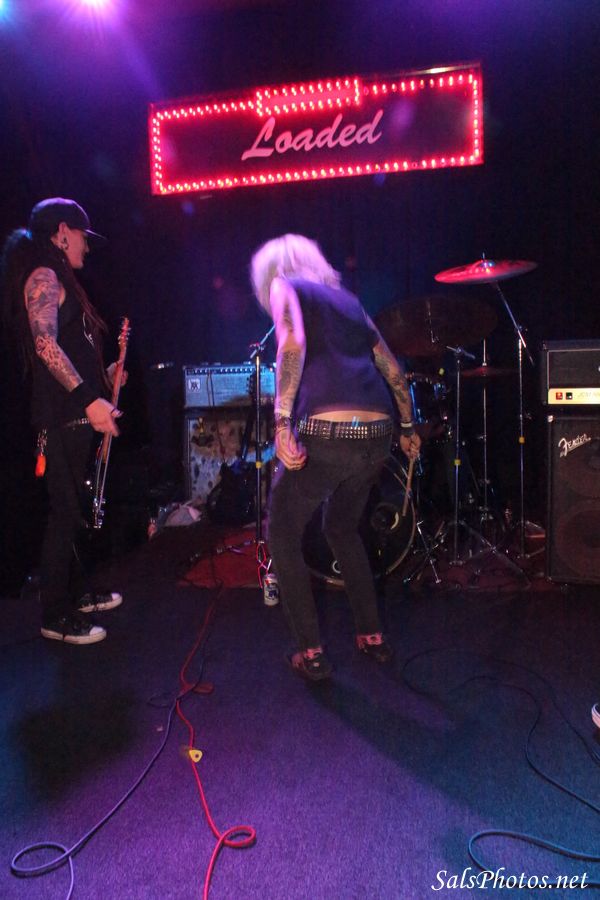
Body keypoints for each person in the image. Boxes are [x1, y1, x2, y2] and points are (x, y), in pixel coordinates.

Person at [250, 234, 421, 681]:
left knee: (282, 530)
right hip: (377, 433)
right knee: (342, 527)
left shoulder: (284, 285)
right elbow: (392, 369)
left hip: (328, 432)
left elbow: (291, 343)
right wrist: (407, 428)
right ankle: (372, 636)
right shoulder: (349, 302)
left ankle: (310, 652)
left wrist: (282, 422)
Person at [0, 198, 125, 645]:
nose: (86, 247)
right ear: (62, 232)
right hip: (61, 420)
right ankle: (54, 615)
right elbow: (45, 346)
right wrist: (90, 400)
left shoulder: (61, 279)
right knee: (64, 514)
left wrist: (105, 377)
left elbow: (70, 351)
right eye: (82, 238)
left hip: (77, 416)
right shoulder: (43, 276)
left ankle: (75, 594)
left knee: (76, 512)